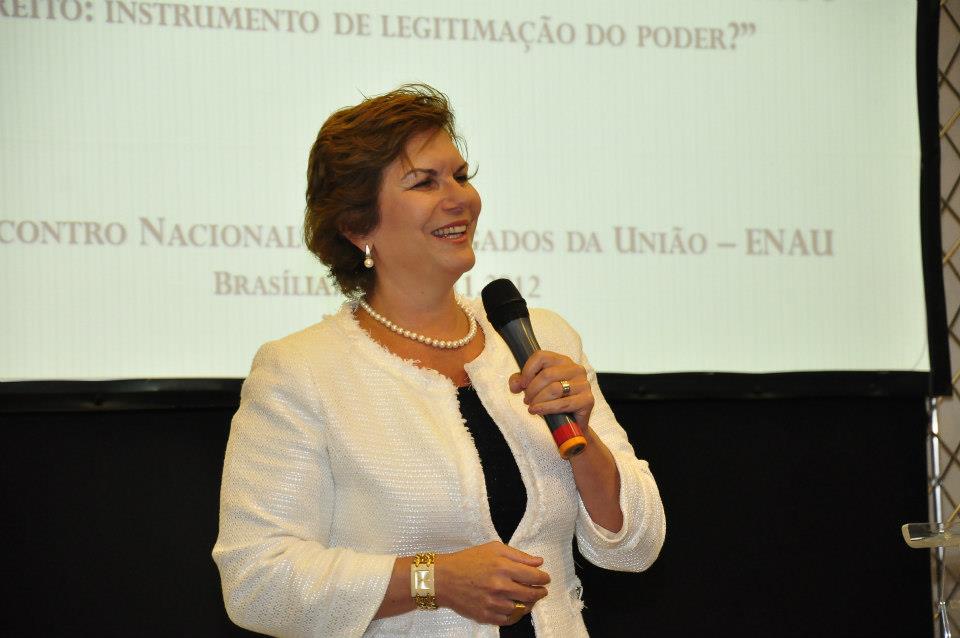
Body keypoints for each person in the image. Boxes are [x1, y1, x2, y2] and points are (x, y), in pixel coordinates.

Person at [212, 84, 665, 637]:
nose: (461, 199)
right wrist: (434, 580)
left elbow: (635, 546)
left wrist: (584, 436)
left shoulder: (542, 338)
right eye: (425, 182)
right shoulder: (301, 371)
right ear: (357, 225)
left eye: (461, 176)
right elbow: (257, 582)